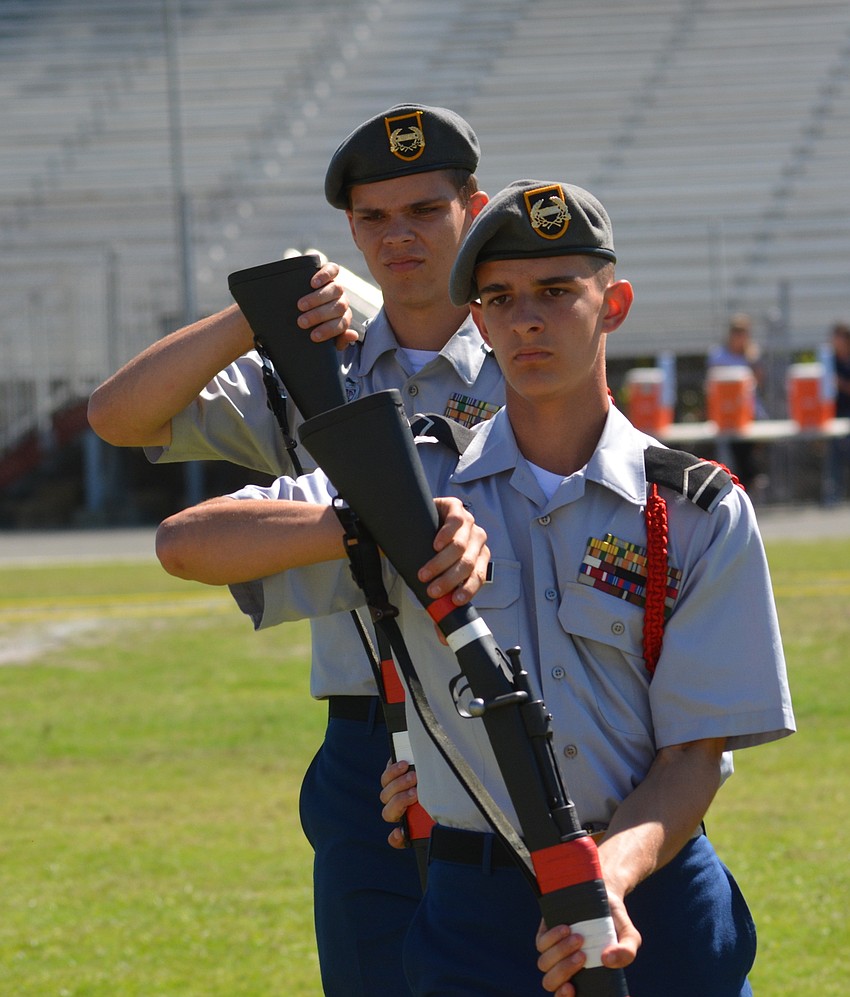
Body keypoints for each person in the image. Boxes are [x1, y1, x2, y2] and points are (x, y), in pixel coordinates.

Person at [154, 179, 795, 996]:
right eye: (500, 297)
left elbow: (694, 756)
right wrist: (368, 526)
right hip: (474, 909)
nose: (528, 318)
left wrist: (607, 877)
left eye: (558, 292)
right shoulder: (411, 479)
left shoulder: (698, 508)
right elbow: (186, 543)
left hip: (654, 890)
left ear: (615, 303)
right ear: (479, 321)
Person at [88, 103, 503, 996]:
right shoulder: (316, 367)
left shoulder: (530, 345)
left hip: (506, 717)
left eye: (425, 210)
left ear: (473, 207)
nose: (399, 236)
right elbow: (118, 416)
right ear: (348, 230)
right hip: (365, 739)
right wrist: (258, 312)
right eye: (373, 218)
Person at [705, 312, 768, 491]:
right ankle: (750, 480)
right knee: (738, 450)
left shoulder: (751, 356)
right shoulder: (718, 356)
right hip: (727, 414)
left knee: (749, 450)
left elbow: (759, 382)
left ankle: (751, 479)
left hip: (751, 412)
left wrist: (752, 360)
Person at [824, 320, 850, 504]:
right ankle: (833, 496)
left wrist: (841, 384)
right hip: (833, 415)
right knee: (834, 457)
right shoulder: (830, 359)